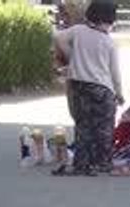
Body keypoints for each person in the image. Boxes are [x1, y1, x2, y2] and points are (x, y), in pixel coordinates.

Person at [52, 1, 123, 176]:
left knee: (83, 126)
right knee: (104, 128)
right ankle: (102, 163)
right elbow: (115, 72)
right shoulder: (108, 42)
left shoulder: (78, 31)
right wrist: (119, 93)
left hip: (79, 85)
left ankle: (81, 164)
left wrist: (72, 56)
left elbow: (57, 37)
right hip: (102, 88)